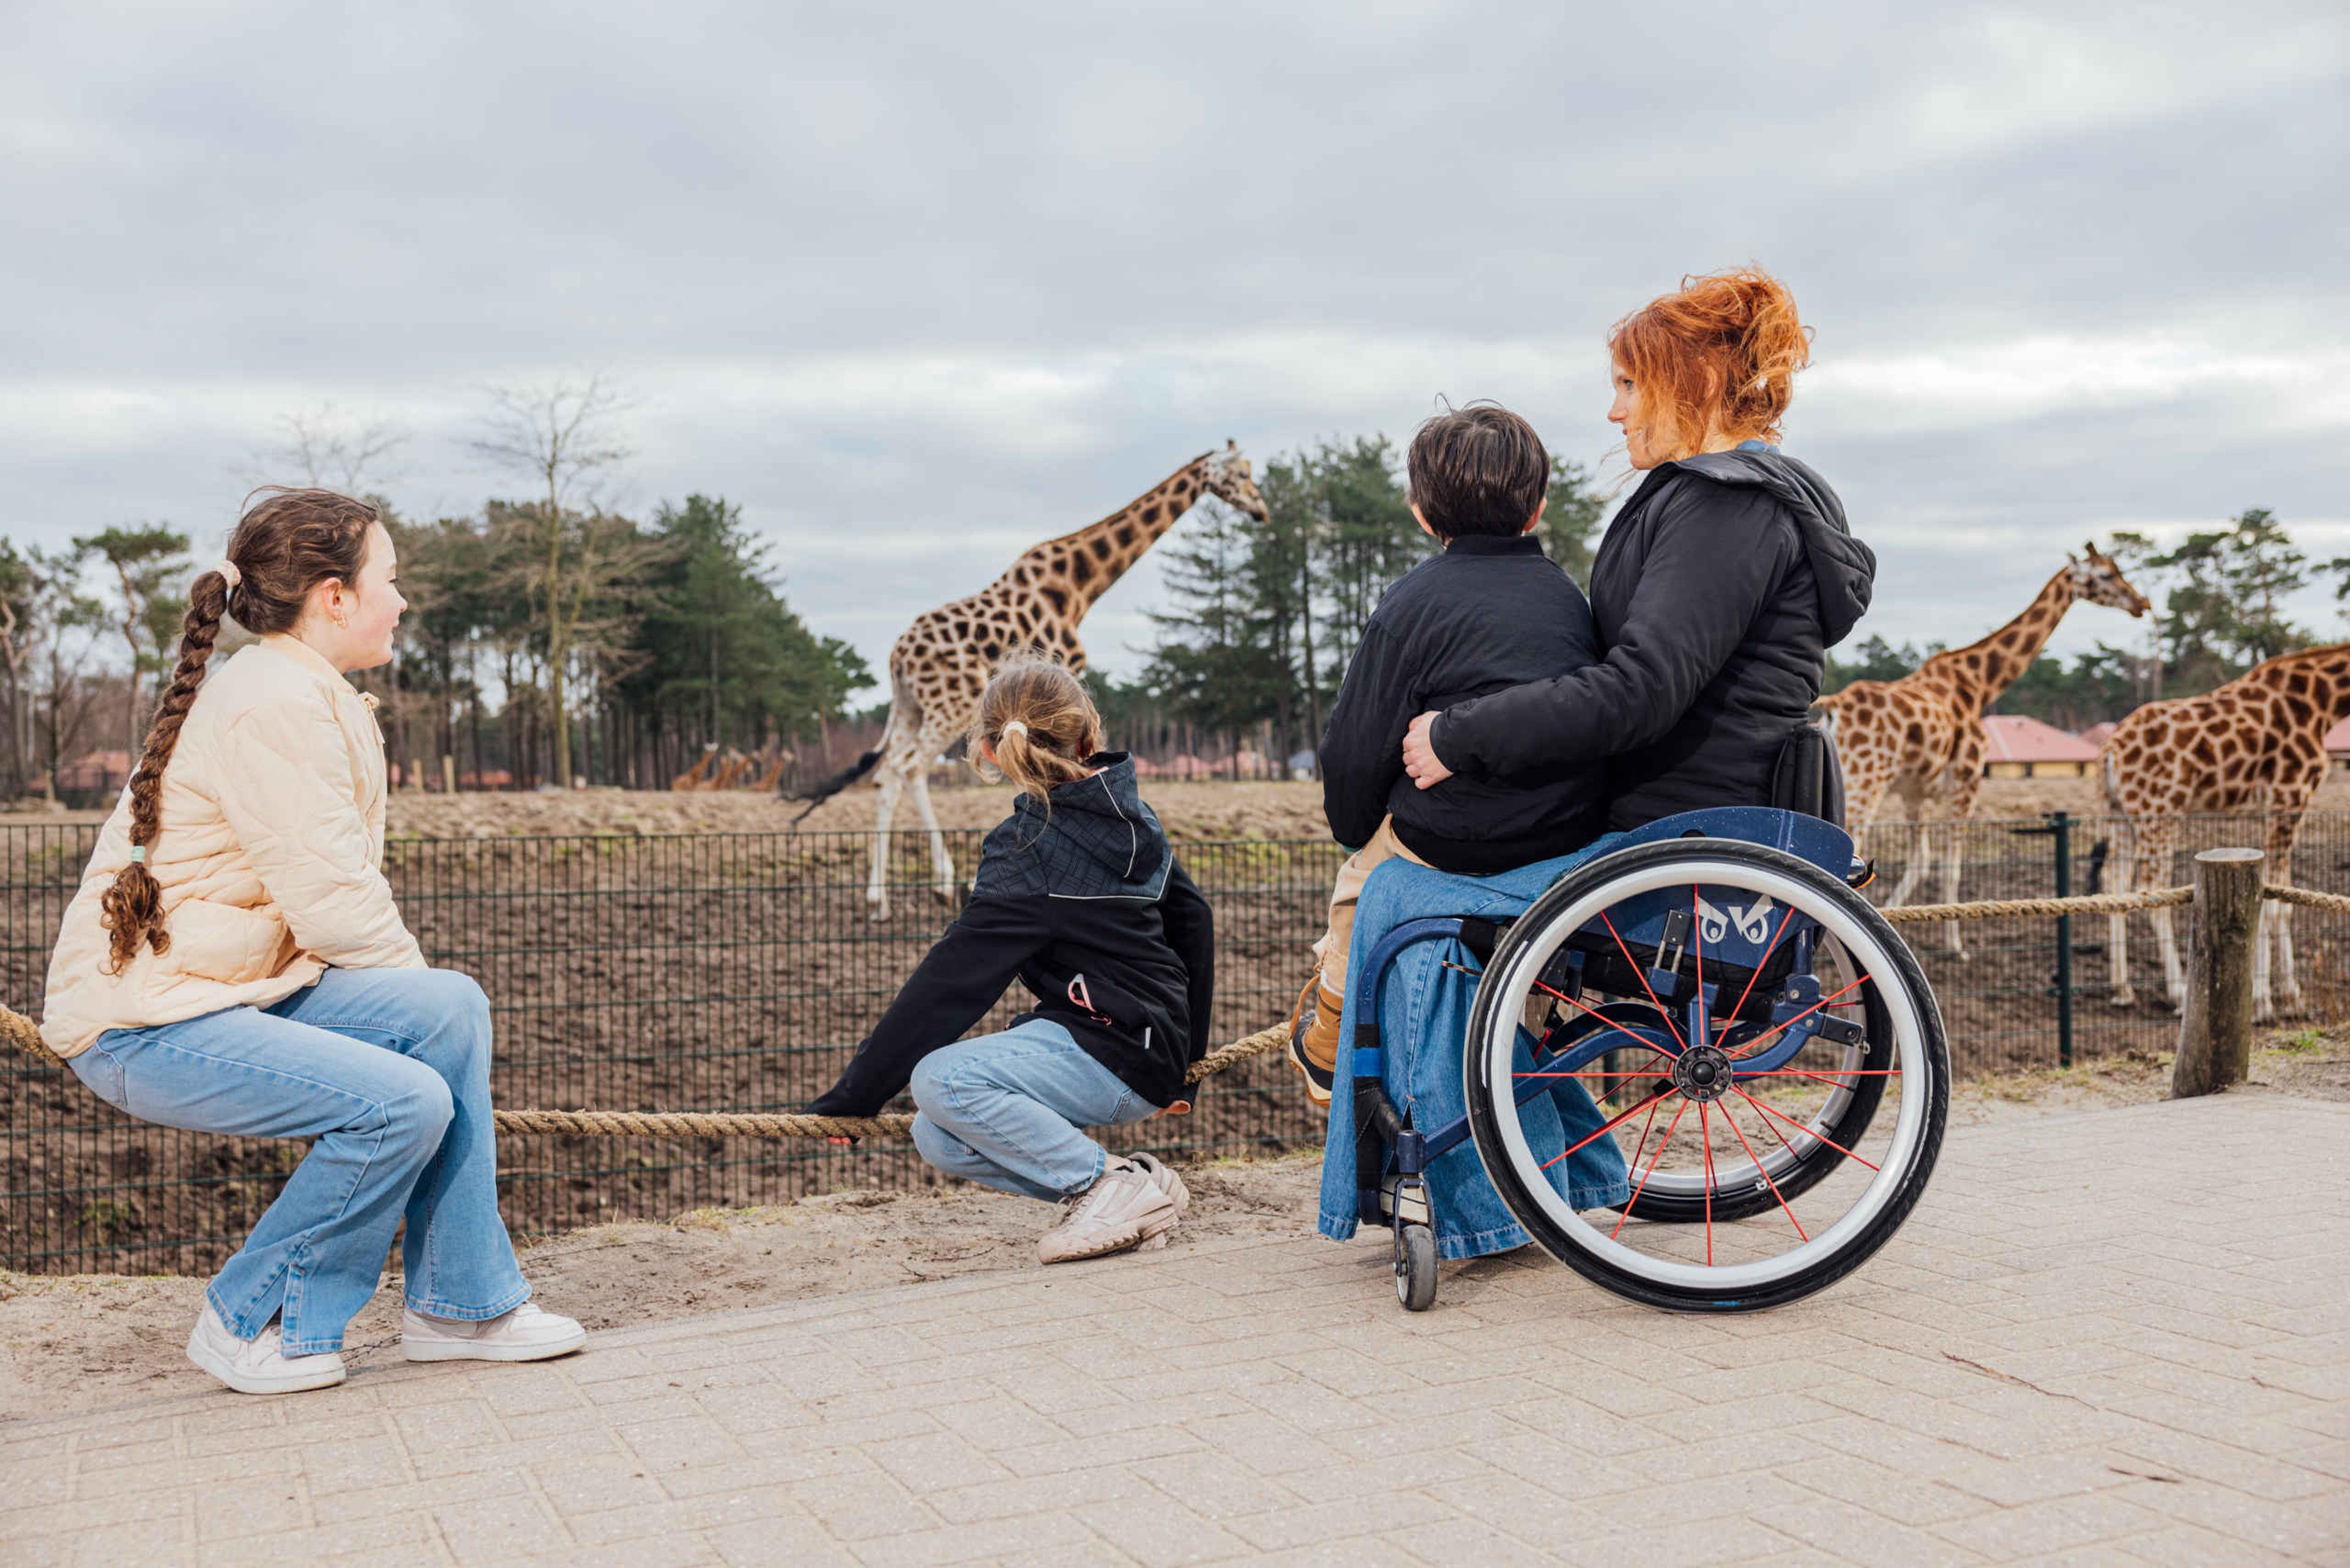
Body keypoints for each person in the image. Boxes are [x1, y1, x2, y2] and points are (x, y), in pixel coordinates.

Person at [40, 488, 584, 1396]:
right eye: (392, 579)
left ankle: (461, 1303)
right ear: (334, 595)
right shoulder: (273, 701)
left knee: (450, 1007)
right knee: (405, 1101)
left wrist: (418, 1005)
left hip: (229, 988)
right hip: (144, 1024)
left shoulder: (294, 685)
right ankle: (253, 1317)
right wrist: (408, 1023)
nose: (403, 600)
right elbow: (334, 901)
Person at [1401, 267, 1876, 824]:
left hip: (1686, 839)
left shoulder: (1728, 507)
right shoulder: (1731, 501)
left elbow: (1642, 688)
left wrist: (1457, 734)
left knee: (1389, 892)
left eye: (1629, 384)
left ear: (1697, 380)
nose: (1615, 411)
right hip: (1689, 826)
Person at [806, 655, 1216, 1265]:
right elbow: (1194, 920)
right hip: (1136, 1042)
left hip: (1119, 1049)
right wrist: (1189, 1060)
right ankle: (1136, 1184)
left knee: (941, 1080)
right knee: (936, 1134)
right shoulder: (1130, 811)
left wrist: (855, 1095)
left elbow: (950, 986)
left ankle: (1106, 1185)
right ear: (1087, 736)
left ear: (988, 751)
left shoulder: (1027, 848)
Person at [1286, 401, 1605, 1103]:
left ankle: (1333, 1032)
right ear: (1539, 506)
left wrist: (1356, 825)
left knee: (1360, 883)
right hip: (1558, 843)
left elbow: (1352, 752)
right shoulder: (1567, 600)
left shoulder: (1411, 604)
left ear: (1421, 511)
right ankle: (1519, 1032)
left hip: (1447, 840)